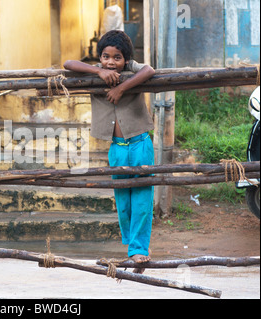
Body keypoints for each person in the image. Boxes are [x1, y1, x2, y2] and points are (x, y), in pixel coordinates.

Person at [64, 30, 156, 268]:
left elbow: (149, 71)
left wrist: (121, 88)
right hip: (117, 148)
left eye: (117, 58)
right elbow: (67, 63)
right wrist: (99, 71)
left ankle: (137, 249)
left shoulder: (132, 69)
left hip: (140, 144)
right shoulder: (96, 71)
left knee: (142, 199)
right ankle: (131, 242)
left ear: (126, 59)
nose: (111, 61)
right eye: (106, 56)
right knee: (123, 199)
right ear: (100, 56)